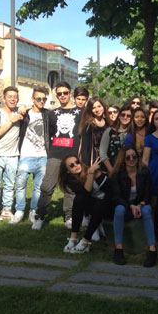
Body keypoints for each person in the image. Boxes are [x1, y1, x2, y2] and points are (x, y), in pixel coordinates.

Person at [34, 82, 83, 227]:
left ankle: (69, 216)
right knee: (47, 187)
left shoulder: (80, 112)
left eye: (65, 93)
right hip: (55, 154)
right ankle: (40, 216)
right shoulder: (52, 113)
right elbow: (48, 133)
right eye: (59, 93)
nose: (62, 96)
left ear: (70, 93)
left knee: (71, 188)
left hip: (73, 155)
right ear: (56, 95)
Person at [110, 146, 156, 266]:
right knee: (119, 209)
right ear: (123, 159)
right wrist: (130, 206)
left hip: (142, 204)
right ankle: (118, 249)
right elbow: (116, 197)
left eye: (134, 156)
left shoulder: (144, 172)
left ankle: (152, 249)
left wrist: (139, 206)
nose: (131, 159)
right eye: (128, 157)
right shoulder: (118, 175)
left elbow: (147, 194)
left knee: (146, 210)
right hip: (126, 206)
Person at [14, 87, 50, 226]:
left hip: (42, 156)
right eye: (38, 98)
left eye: (44, 99)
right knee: (21, 184)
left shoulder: (48, 115)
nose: (41, 101)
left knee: (38, 187)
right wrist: (22, 109)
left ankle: (33, 210)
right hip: (26, 155)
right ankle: (19, 210)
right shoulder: (26, 114)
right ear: (32, 99)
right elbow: (15, 113)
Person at [0, 86, 24, 221]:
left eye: (15, 97)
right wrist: (11, 121)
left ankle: (7, 208)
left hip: (13, 155)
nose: (12, 99)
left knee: (10, 184)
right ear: (4, 98)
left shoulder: (20, 113)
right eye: (10, 96)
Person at [100, 103, 133, 174]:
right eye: (123, 115)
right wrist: (112, 171)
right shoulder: (109, 131)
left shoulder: (133, 132)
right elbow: (102, 154)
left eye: (128, 116)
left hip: (130, 171)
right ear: (119, 116)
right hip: (112, 169)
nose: (125, 117)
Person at [76, 97, 108, 166]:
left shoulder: (108, 123)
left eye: (99, 106)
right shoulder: (88, 126)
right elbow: (84, 149)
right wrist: (86, 167)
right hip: (93, 163)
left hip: (108, 162)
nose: (97, 110)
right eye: (94, 108)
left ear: (103, 106)